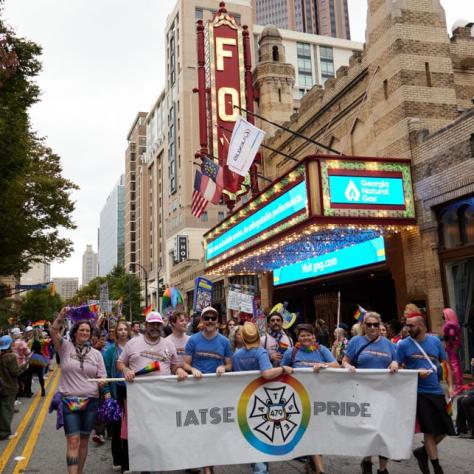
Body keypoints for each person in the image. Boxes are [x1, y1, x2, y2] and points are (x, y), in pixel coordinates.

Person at [51, 308, 108, 474]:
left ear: (91, 334)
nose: (85, 333)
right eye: (81, 330)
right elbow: (54, 331)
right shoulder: (64, 347)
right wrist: (61, 315)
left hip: (91, 402)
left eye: (88, 331)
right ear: (75, 332)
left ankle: (79, 471)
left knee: (84, 440)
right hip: (70, 402)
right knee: (73, 440)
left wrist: (102, 381)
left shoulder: (96, 354)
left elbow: (102, 375)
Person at [397, 313, 455, 474]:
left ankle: (422, 452)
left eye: (411, 326)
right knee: (429, 430)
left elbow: (446, 364)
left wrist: (450, 386)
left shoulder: (435, 342)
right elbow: (398, 369)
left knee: (446, 429)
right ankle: (436, 467)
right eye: (407, 325)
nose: (408, 329)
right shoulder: (403, 345)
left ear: (421, 326)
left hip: (436, 391)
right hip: (417, 392)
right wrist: (415, 372)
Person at [232, 322, 293, 474]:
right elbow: (267, 373)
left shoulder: (236, 355)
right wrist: (283, 368)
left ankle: (256, 465)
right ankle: (260, 469)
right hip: (261, 399)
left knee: (251, 433)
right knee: (261, 435)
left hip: (244, 397)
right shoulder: (260, 352)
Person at [342, 312, 399, 474]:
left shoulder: (388, 344)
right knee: (368, 430)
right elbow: (345, 361)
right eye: (369, 325)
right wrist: (348, 366)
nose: (373, 327)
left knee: (384, 432)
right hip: (363, 394)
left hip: (384, 394)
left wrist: (395, 362)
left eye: (375, 324)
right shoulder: (356, 341)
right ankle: (367, 461)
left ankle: (383, 468)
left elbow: (396, 361)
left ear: (380, 326)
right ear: (363, 326)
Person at [281, 324, 339, 474]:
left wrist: (324, 365)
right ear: (297, 338)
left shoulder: (322, 350)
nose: (306, 338)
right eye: (302, 335)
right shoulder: (291, 353)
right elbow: (282, 371)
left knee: (318, 431)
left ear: (314, 336)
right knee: (310, 430)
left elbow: (336, 365)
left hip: (321, 398)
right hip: (298, 399)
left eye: (309, 335)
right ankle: (319, 469)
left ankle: (311, 462)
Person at [183, 306, 233, 474]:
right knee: (199, 429)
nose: (210, 321)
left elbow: (229, 364)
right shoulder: (193, 340)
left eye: (213, 318)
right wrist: (192, 370)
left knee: (213, 430)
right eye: (207, 318)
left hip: (216, 391)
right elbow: (185, 363)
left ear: (217, 321)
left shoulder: (224, 341)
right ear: (202, 321)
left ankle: (209, 465)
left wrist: (223, 367)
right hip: (197, 389)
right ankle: (206, 468)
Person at [103, 320, 131, 472]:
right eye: (119, 329)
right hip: (116, 392)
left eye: (125, 329)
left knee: (130, 428)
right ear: (115, 333)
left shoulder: (134, 347)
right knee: (116, 428)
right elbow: (106, 373)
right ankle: (117, 459)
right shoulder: (109, 352)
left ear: (128, 331)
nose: (122, 332)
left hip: (133, 392)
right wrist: (106, 392)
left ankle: (128, 460)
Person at [0, 335, 29, 440]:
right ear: (10, 344)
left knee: (2, 410)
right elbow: (15, 372)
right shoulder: (11, 357)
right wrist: (25, 365)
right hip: (8, 386)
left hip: (2, 387)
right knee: (7, 411)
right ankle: (5, 433)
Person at [441, 308, 463, 392]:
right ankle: (458, 385)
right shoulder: (454, 324)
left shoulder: (450, 325)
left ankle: (458, 386)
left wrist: (448, 343)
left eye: (444, 316)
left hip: (451, 348)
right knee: (454, 365)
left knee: (454, 365)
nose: (443, 317)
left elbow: (451, 335)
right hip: (452, 347)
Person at [10, 328, 30, 397]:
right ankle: (25, 392)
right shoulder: (22, 342)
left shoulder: (11, 343)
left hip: (14, 363)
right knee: (25, 378)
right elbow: (28, 352)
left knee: (17, 379)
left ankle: (18, 392)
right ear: (19, 334)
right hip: (22, 363)